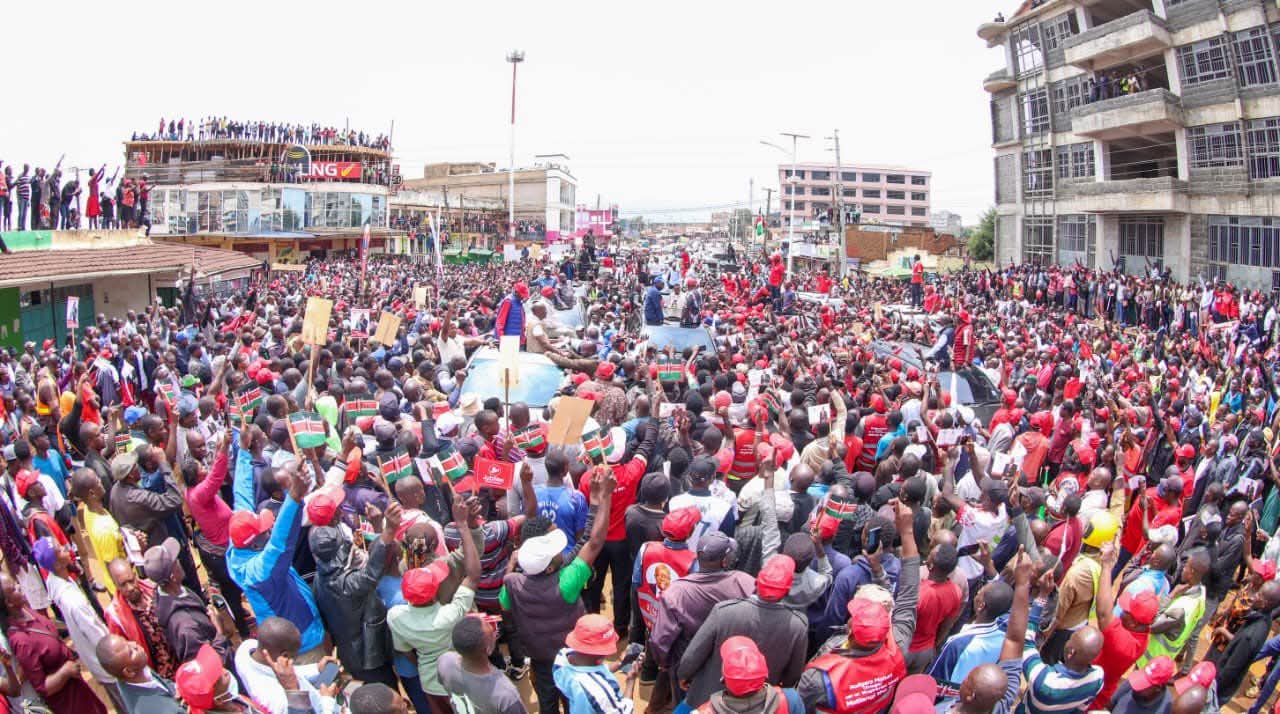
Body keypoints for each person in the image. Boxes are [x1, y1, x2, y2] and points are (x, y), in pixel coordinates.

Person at [388, 493, 482, 714]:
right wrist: (466, 525)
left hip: (430, 682)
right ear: (433, 545)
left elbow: (405, 651)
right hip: (462, 666)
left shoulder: (403, 578)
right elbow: (474, 563)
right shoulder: (447, 568)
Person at [677, 553, 809, 710]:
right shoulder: (797, 626)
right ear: (788, 591)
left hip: (706, 700)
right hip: (758, 705)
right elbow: (792, 677)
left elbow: (693, 655)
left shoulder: (724, 611)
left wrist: (684, 674)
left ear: (757, 582)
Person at [438, 615, 526, 714]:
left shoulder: (445, 661)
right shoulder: (506, 694)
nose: (495, 633)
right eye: (493, 633)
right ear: (488, 650)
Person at [553, 613, 639, 713]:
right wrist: (630, 681)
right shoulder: (600, 693)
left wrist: (619, 663)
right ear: (602, 654)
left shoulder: (561, 659)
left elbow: (591, 671)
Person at [95, 634, 185, 714]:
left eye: (128, 642)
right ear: (128, 672)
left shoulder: (138, 670)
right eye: (131, 652)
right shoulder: (155, 709)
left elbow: (163, 683)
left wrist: (177, 688)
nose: (134, 644)